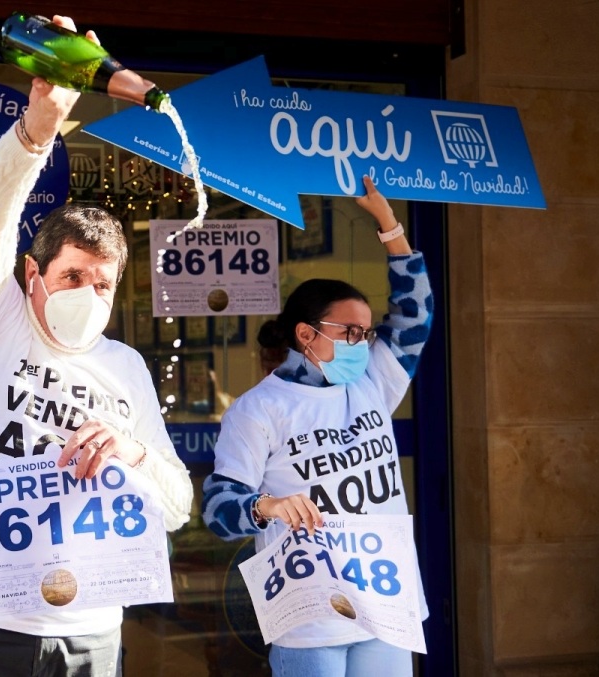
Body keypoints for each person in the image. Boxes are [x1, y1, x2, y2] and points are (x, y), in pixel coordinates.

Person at [0, 15, 194, 677]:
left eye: (103, 282)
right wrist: (39, 130)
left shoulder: (126, 367)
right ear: (34, 276)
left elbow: (177, 503)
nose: (87, 294)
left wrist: (134, 451)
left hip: (89, 633)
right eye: (72, 276)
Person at [202, 176, 432, 677]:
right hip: (309, 612)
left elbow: (416, 313)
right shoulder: (258, 408)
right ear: (305, 334)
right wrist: (266, 506)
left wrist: (388, 224)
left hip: (384, 603)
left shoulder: (371, 380)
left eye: (366, 331)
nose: (361, 341)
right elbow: (218, 510)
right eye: (348, 331)